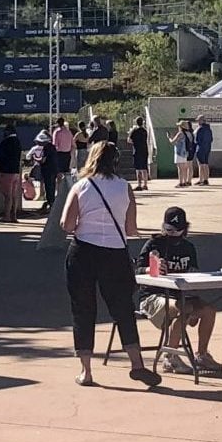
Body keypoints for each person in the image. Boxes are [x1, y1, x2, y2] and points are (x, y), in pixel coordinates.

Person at [60, 140, 157, 387]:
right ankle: (137, 363)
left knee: (83, 309)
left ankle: (86, 371)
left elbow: (67, 225)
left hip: (83, 252)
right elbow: (131, 228)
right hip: (115, 253)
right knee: (122, 307)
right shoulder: (125, 187)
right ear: (115, 161)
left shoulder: (82, 185)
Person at [137, 205, 219, 373]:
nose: (172, 234)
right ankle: (170, 357)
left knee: (209, 310)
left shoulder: (188, 247)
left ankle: (202, 354)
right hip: (153, 296)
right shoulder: (154, 243)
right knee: (185, 309)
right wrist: (151, 268)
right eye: (169, 230)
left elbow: (193, 272)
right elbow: (136, 270)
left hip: (181, 294)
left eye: (177, 231)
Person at [0, 124, 25, 223]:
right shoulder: (18, 142)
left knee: (7, 195)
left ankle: (6, 216)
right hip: (16, 171)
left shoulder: (5, 143)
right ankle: (14, 215)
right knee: (14, 195)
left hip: (6, 171)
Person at [128, 116, 154, 191]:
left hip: (137, 150)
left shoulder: (134, 131)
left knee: (138, 168)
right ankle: (145, 184)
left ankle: (139, 184)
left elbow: (129, 140)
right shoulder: (145, 131)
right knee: (144, 168)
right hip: (144, 150)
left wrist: (134, 141)